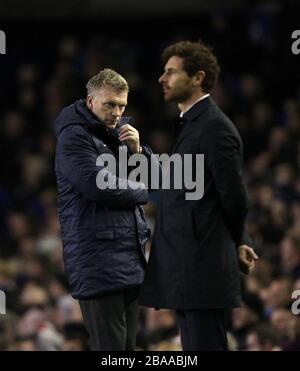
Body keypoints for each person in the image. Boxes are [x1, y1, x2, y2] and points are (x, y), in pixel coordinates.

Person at [139, 41, 258, 351]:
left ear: (197, 77)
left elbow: (234, 196)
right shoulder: (194, 124)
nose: (162, 79)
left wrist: (239, 240)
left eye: (171, 72)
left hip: (201, 267)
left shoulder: (214, 127)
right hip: (188, 266)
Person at [54, 68, 156, 351]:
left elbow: (158, 177)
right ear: (90, 102)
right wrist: (144, 193)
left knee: (126, 350)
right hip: (98, 263)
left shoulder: (120, 136)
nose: (116, 112)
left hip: (129, 259)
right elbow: (100, 185)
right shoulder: (73, 138)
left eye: (122, 105)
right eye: (109, 104)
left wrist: (137, 151)